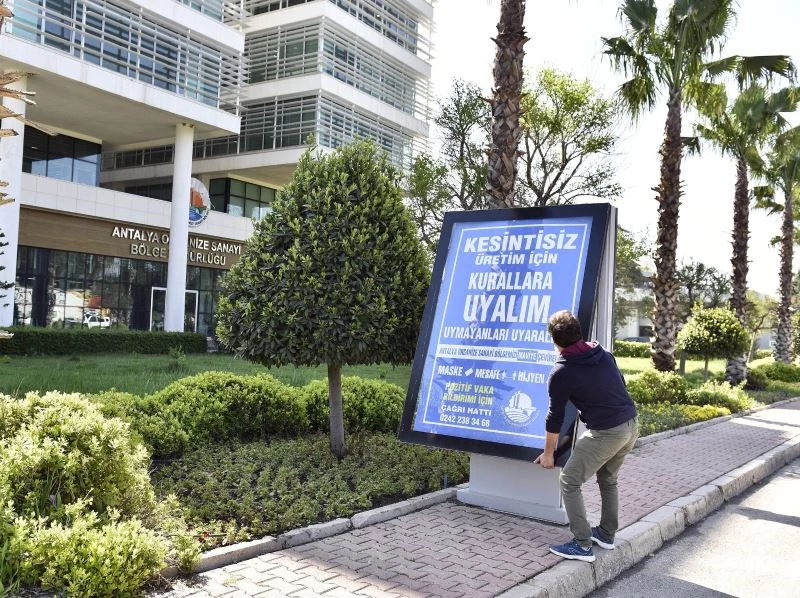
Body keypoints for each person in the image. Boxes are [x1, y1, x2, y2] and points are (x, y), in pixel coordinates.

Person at [534, 310, 638, 563]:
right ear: (579, 332)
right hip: (631, 425)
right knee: (608, 479)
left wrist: (548, 454)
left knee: (569, 481)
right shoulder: (603, 353)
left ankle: (582, 545)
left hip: (607, 432)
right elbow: (620, 385)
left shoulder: (562, 371)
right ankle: (606, 534)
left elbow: (555, 417)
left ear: (554, 339)